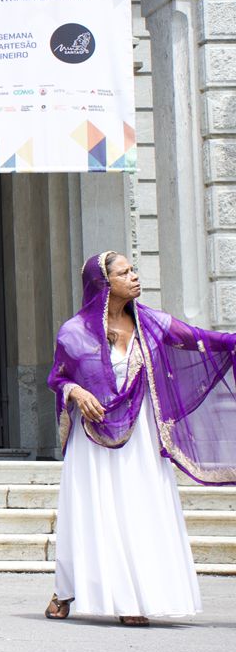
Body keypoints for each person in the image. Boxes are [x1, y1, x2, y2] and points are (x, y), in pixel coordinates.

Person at [46, 251, 236, 625]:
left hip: (143, 436)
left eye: (134, 270)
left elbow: (202, 340)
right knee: (94, 510)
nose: (134, 276)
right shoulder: (74, 332)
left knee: (140, 507)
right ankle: (66, 592)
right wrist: (76, 392)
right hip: (95, 436)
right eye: (124, 272)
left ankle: (137, 596)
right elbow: (58, 377)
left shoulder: (152, 324)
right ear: (104, 284)